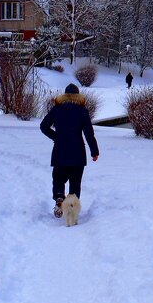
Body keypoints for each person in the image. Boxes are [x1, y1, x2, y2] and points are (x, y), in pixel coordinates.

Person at [39, 83, 100, 217]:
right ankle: (71, 209)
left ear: (65, 95)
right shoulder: (82, 111)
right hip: (78, 152)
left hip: (60, 151)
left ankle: (60, 197)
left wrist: (56, 136)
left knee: (58, 178)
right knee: (75, 182)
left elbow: (43, 126)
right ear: (78, 96)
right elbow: (89, 133)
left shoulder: (57, 109)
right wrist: (94, 151)